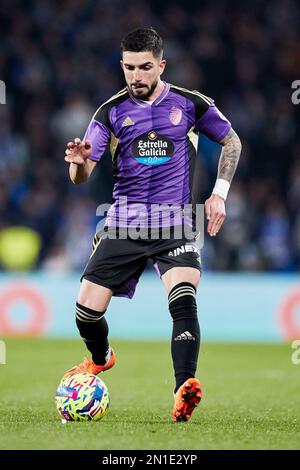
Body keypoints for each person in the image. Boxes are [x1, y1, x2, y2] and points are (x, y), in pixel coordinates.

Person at [64, 27, 242, 422]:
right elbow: (84, 173)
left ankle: (184, 388)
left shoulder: (190, 104)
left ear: (161, 65)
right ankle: (100, 358)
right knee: (85, 313)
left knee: (183, 299)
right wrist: (78, 164)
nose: (136, 76)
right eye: (129, 68)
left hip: (174, 223)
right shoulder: (109, 112)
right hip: (124, 223)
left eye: (145, 67)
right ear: (122, 66)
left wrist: (219, 194)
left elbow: (232, 142)